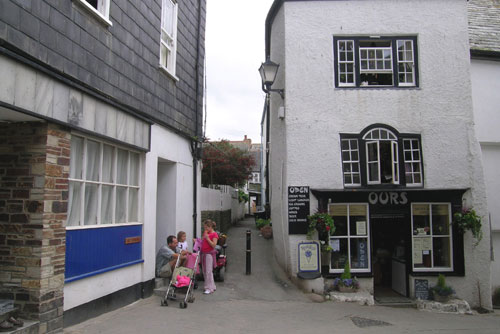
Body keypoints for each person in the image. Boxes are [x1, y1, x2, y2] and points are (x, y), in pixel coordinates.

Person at [201, 219, 218, 294]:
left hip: (209, 254)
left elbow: (214, 245)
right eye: (204, 228)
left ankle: (209, 288)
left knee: (208, 271)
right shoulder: (206, 233)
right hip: (204, 253)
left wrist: (207, 238)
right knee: (205, 271)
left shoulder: (214, 234)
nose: (205, 229)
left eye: (206, 227)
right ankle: (212, 286)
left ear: (210, 227)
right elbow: (202, 241)